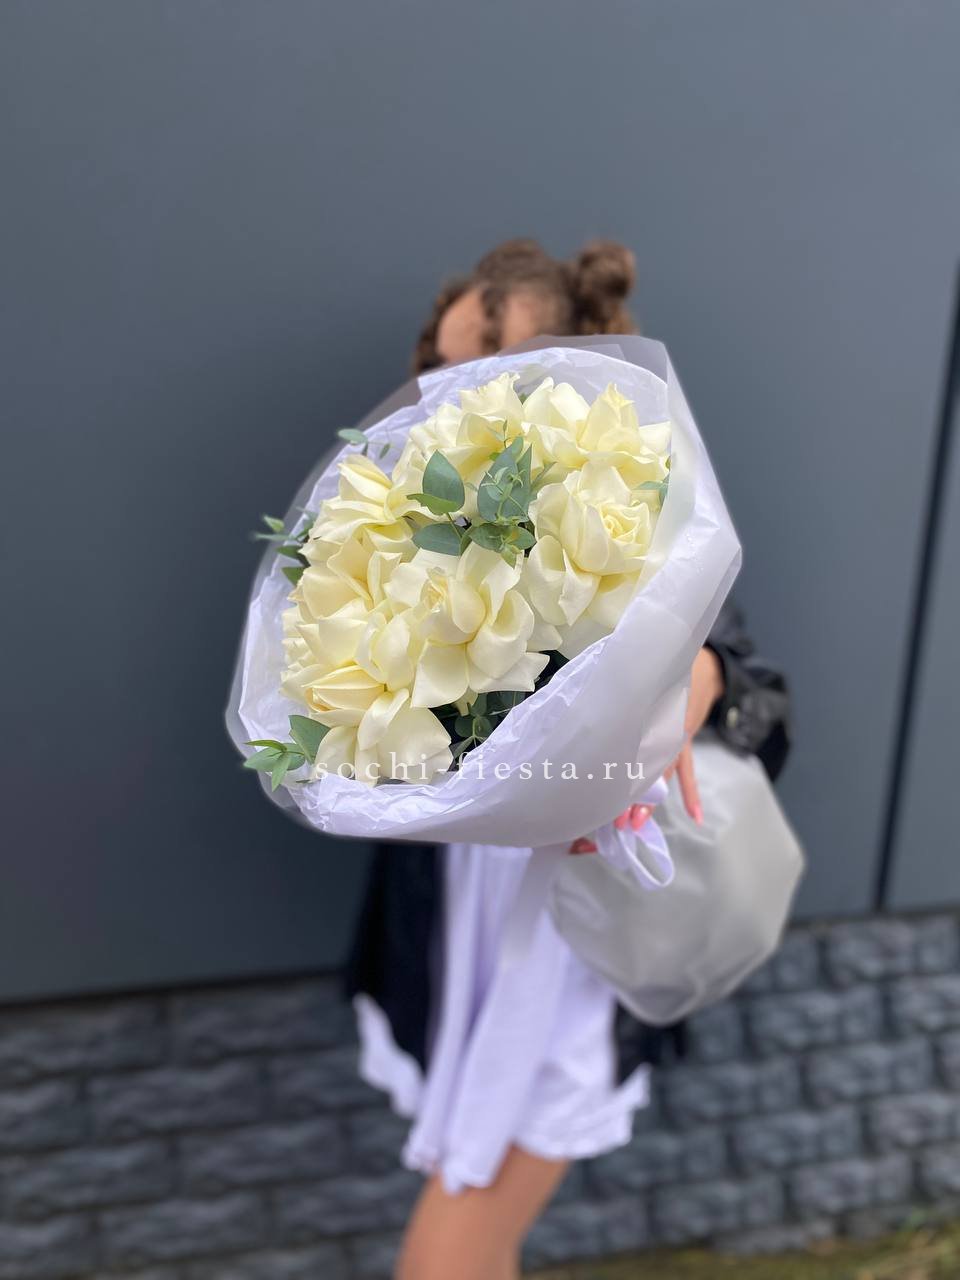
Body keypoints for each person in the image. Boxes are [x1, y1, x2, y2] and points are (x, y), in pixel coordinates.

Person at [344, 238, 791, 1280]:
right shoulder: (403, 511)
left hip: (572, 936)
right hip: (460, 907)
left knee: (446, 1255)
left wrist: (703, 676)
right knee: (479, 1243)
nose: (454, 383)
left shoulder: (632, 497)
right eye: (441, 360)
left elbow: (758, 690)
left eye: (487, 361)